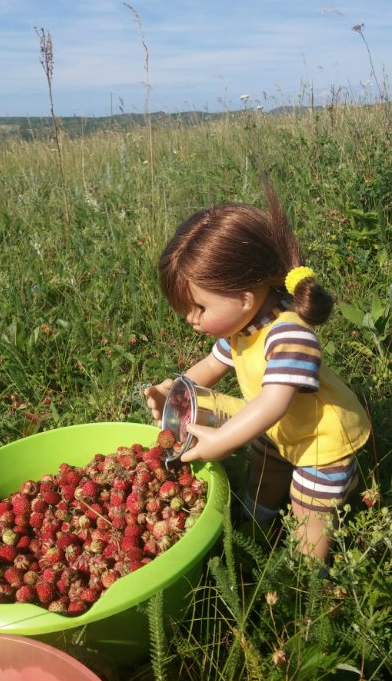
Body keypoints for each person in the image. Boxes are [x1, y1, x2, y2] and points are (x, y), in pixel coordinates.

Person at [145, 183, 370, 561]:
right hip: (283, 432)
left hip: (323, 441)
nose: (190, 320)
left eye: (198, 307)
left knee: (309, 515)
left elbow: (273, 402)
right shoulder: (241, 326)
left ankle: (307, 575)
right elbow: (213, 365)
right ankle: (253, 530)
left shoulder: (289, 333)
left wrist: (224, 440)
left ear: (244, 297)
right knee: (263, 475)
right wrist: (176, 389)